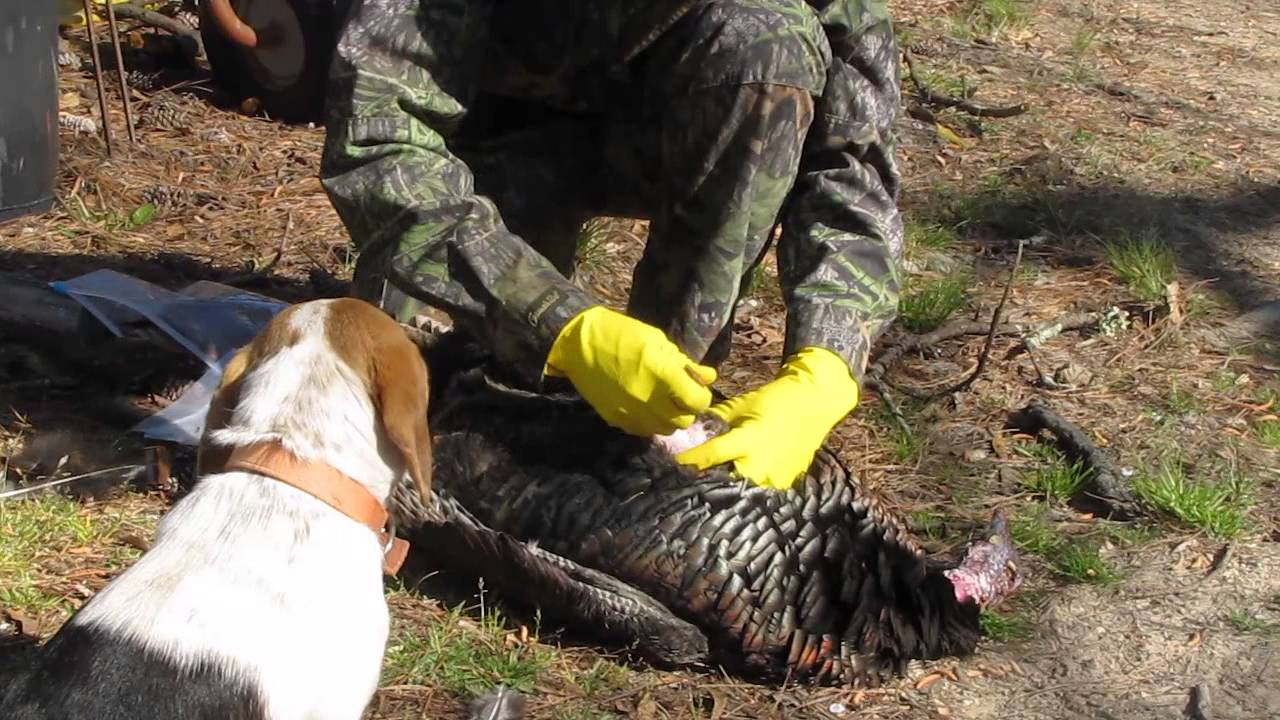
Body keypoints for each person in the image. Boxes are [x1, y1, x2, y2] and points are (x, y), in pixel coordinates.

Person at [320, 0, 904, 492]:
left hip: (649, 129)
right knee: (408, 404)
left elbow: (852, 168)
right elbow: (377, 140)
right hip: (478, 140)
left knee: (770, 45)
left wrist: (826, 367)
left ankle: (662, 407)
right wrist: (555, 320)